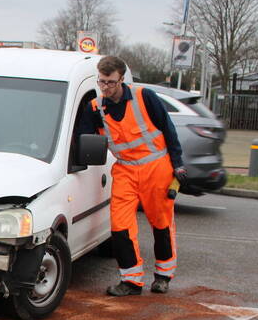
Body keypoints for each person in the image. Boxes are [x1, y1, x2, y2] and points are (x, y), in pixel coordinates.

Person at [77, 55, 187, 296]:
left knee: (161, 223)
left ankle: (163, 276)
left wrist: (178, 165)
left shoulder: (144, 97)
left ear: (122, 79)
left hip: (156, 167)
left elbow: (168, 129)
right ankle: (131, 280)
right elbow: (84, 139)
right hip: (125, 170)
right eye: (101, 81)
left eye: (110, 82)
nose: (104, 87)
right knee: (120, 226)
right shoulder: (95, 108)